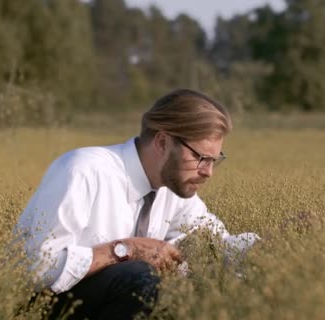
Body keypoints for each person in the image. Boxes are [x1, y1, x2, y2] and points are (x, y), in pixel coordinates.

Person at [14, 89, 258, 320]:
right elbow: (36, 267)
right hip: (41, 309)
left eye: (215, 160)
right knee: (139, 277)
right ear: (162, 142)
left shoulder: (174, 190)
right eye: (201, 158)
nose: (208, 172)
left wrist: (277, 249)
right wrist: (125, 249)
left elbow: (219, 245)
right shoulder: (83, 171)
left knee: (192, 283)